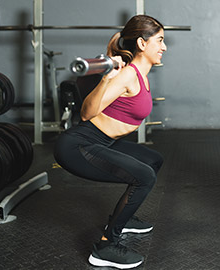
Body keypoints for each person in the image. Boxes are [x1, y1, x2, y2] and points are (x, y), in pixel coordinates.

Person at [54, 15, 166, 269]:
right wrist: (106, 78)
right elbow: (86, 114)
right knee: (144, 176)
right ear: (141, 43)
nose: (163, 47)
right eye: (159, 40)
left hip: (103, 142)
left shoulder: (140, 74)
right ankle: (105, 246)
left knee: (153, 160)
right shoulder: (126, 75)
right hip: (78, 145)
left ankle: (121, 219)